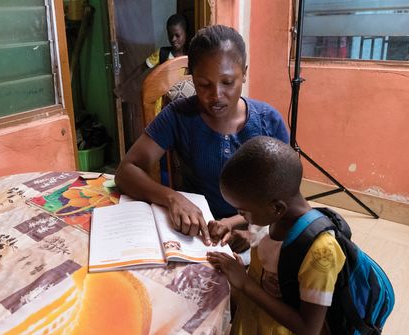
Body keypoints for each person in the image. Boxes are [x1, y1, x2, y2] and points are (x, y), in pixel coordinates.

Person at [115, 25, 289, 248]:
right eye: (204, 84)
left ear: (244, 74)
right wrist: (173, 198)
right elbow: (126, 171)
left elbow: (285, 193)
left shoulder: (268, 121)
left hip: (257, 232)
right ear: (192, 77)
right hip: (196, 235)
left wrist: (247, 227)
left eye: (228, 82)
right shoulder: (178, 115)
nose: (216, 95)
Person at [207, 136, 346, 335]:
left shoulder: (320, 252)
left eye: (242, 211)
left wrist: (244, 283)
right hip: (252, 320)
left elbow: (309, 329)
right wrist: (229, 225)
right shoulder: (272, 217)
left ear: (276, 208)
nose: (239, 216)